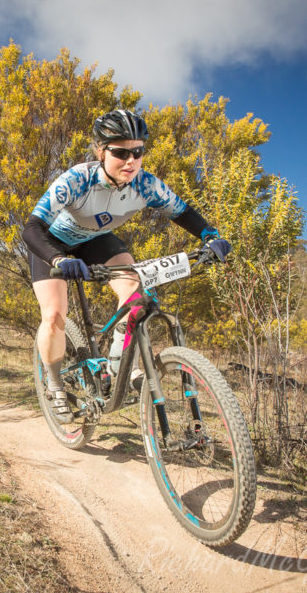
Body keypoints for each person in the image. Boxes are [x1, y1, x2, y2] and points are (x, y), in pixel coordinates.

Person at [23, 109, 231, 424]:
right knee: (54, 315)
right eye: (120, 153)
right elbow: (32, 229)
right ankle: (54, 385)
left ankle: (116, 367)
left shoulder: (146, 185)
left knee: (136, 295)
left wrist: (211, 236)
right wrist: (58, 259)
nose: (130, 161)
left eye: (137, 152)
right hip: (53, 243)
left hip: (97, 241)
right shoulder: (78, 180)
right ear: (100, 151)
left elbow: (183, 213)